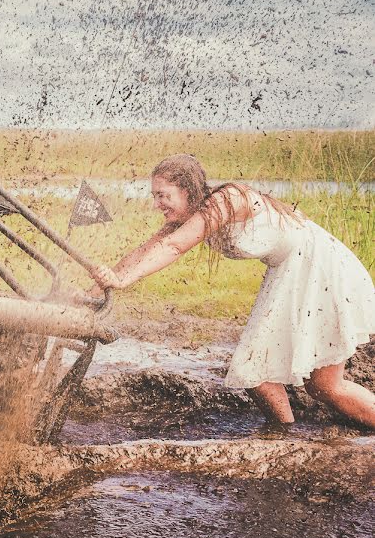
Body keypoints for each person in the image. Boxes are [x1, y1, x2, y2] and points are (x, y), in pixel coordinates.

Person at [91, 154, 375, 429]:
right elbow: (146, 250)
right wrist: (96, 288)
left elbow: (173, 247)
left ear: (188, 190)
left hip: (318, 266)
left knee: (310, 383)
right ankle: (285, 435)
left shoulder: (229, 199)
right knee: (316, 385)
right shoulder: (190, 218)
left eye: (163, 195)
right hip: (293, 270)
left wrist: (123, 282)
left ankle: (284, 438)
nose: (157, 204)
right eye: (154, 196)